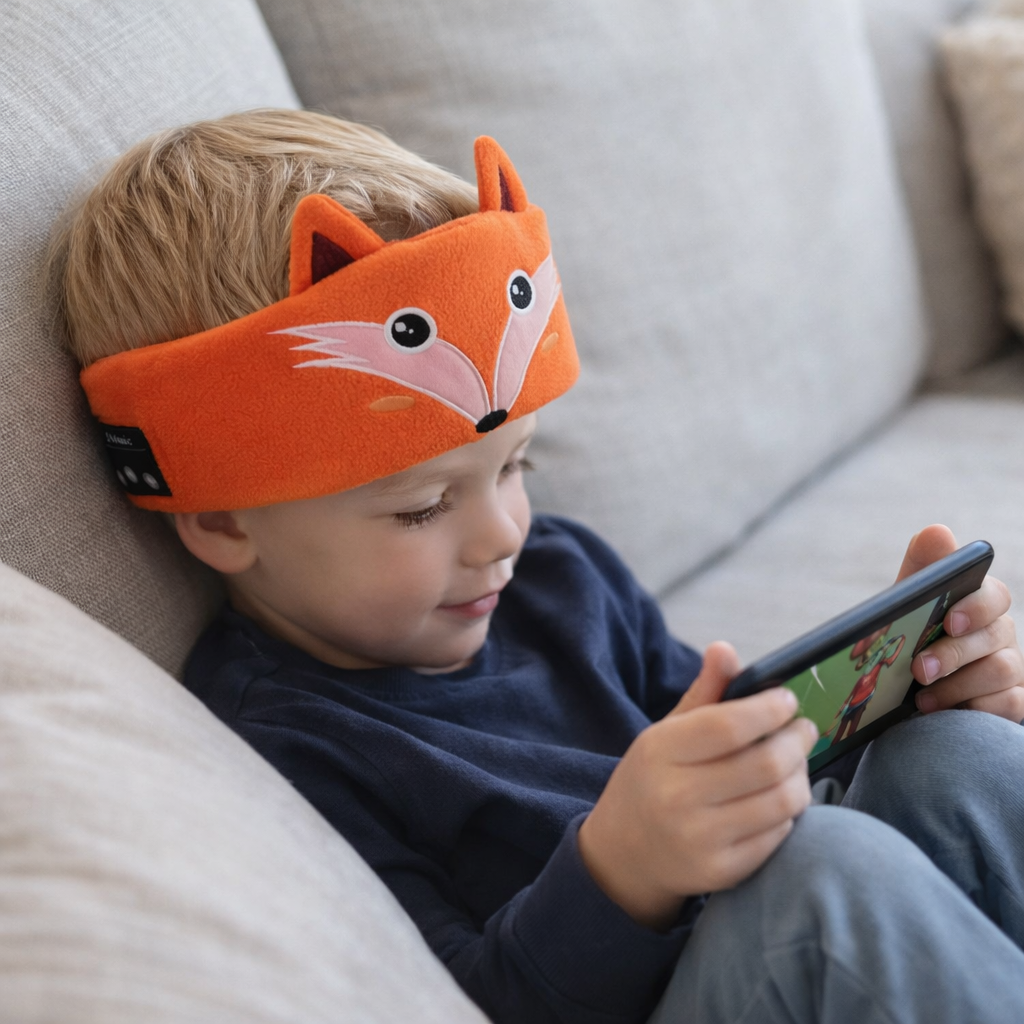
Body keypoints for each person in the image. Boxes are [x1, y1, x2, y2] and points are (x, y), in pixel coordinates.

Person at [51, 108, 1024, 1024]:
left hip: (778, 938)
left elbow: (759, 771)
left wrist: (885, 696)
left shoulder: (561, 573)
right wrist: (623, 870)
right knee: (823, 876)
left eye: (516, 466)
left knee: (953, 757)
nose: (502, 535)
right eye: (423, 505)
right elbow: (455, 998)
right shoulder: (280, 748)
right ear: (221, 519)